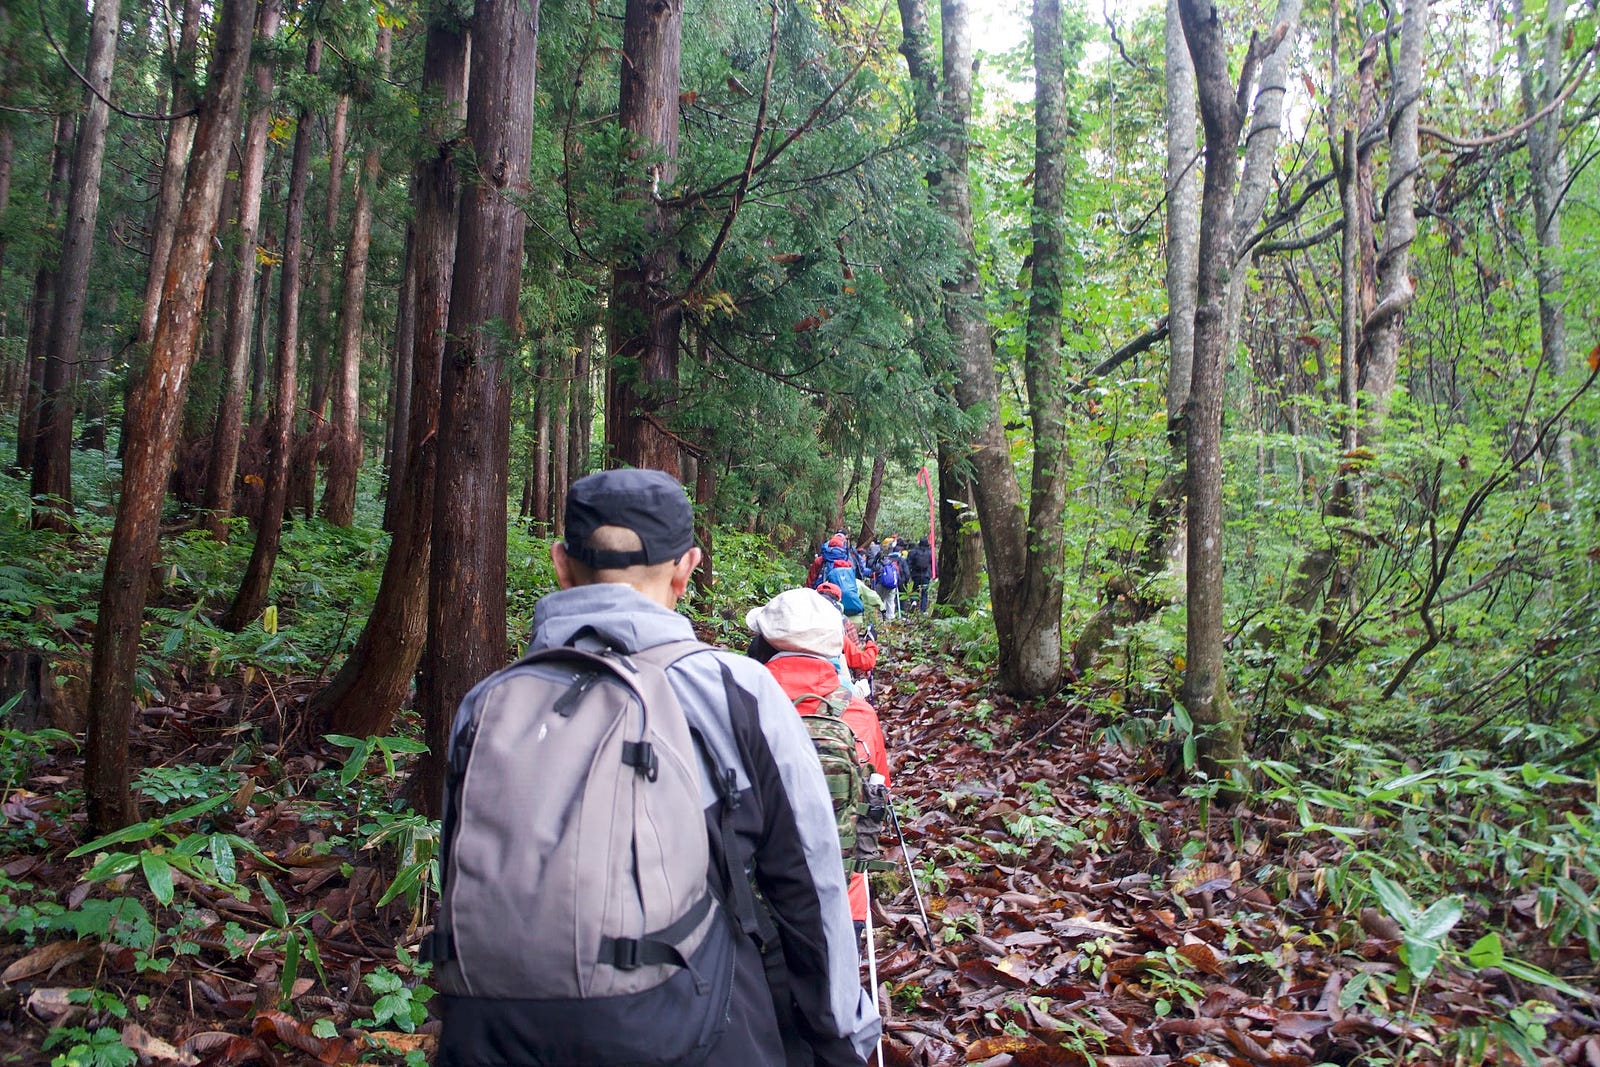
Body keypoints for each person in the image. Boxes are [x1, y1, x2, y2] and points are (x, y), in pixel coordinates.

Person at [444, 469, 879, 1067]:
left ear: (561, 565)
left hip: (488, 1033)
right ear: (686, 568)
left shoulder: (487, 703)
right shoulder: (734, 690)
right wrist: (843, 1042)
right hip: (678, 1029)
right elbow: (810, 887)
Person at [746, 589, 891, 932]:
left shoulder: (735, 706)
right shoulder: (860, 716)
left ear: (762, 645)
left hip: (749, 903)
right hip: (840, 899)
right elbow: (879, 798)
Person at [907, 536, 934, 612]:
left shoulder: (913, 552)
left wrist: (908, 575)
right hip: (926, 575)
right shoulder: (930, 552)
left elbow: (908, 563)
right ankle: (923, 610)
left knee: (915, 590)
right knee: (924, 593)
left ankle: (914, 601)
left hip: (915, 575)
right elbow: (933, 564)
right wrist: (935, 574)